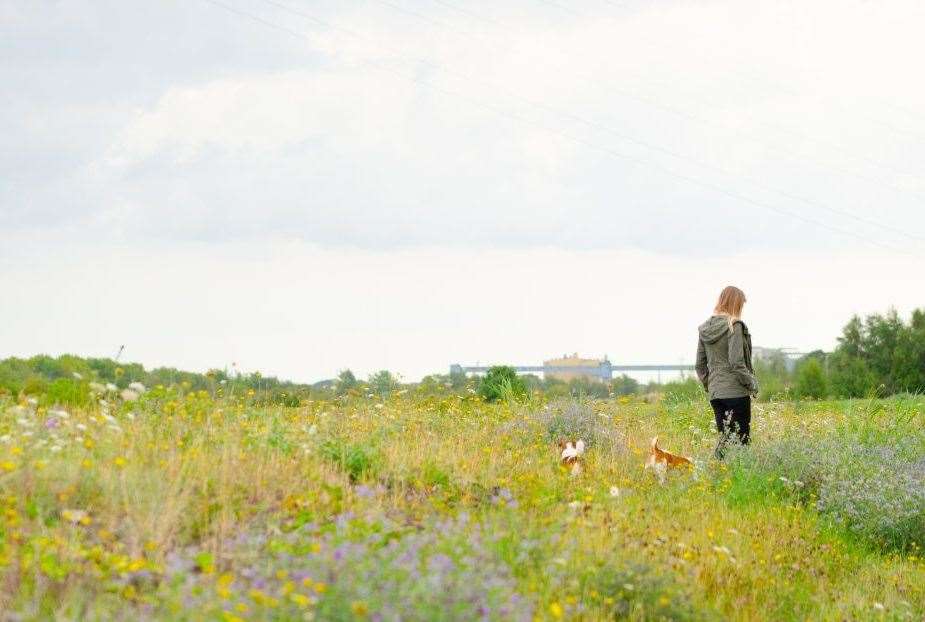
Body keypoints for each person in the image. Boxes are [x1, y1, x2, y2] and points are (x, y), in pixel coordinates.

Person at [695, 286, 759, 459]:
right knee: (742, 442)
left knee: (725, 439)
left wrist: (712, 384)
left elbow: (699, 366)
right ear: (735, 304)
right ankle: (743, 479)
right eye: (740, 306)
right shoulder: (734, 326)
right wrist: (752, 384)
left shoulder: (704, 329)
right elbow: (737, 362)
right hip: (736, 392)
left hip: (716, 394)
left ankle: (716, 474)